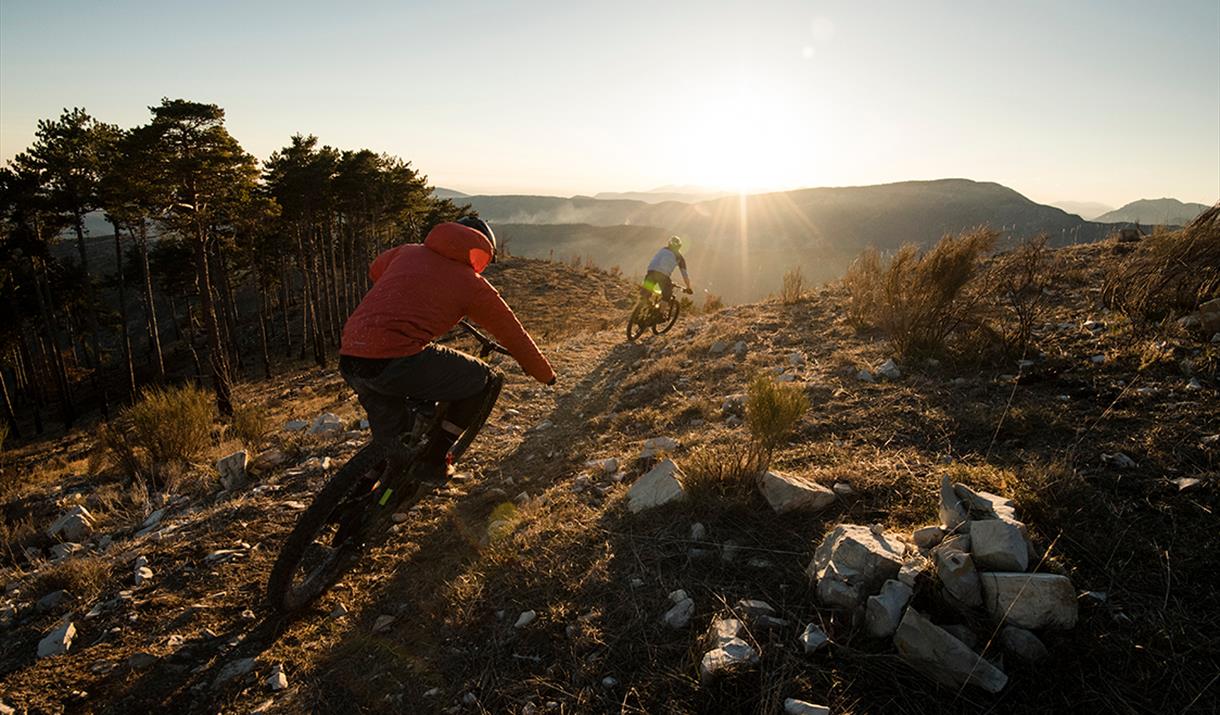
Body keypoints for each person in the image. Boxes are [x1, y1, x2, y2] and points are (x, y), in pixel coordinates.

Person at [338, 217, 555, 480]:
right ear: (481, 252)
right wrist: (545, 375)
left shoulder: (407, 252)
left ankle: (351, 502)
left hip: (351, 355)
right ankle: (434, 460)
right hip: (395, 358)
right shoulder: (471, 284)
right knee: (483, 380)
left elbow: (375, 270)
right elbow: (513, 334)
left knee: (391, 442)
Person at [642, 235, 693, 302]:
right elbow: (685, 275)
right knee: (666, 297)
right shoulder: (679, 258)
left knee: (645, 293)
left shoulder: (662, 250)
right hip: (663, 276)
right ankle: (661, 312)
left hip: (650, 271)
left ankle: (641, 304)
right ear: (679, 246)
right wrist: (688, 287)